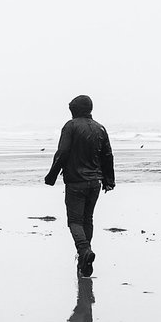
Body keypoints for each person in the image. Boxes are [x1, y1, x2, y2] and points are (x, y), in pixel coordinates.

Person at [44, 94, 114, 275]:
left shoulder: (71, 126)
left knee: (75, 221)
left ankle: (84, 252)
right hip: (95, 183)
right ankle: (84, 261)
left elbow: (63, 152)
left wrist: (51, 176)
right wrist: (109, 181)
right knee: (87, 220)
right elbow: (107, 156)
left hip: (76, 182)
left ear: (74, 111)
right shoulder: (100, 128)